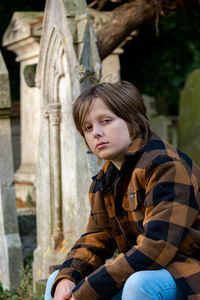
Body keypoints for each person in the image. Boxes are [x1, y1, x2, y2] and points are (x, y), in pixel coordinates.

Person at [45, 81, 200, 300]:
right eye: (88, 127)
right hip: (154, 267)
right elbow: (95, 239)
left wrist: (86, 292)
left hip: (189, 271)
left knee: (139, 284)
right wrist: (68, 278)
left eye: (105, 121)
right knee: (58, 282)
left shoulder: (165, 166)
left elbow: (157, 247)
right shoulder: (105, 179)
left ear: (133, 121)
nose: (96, 133)